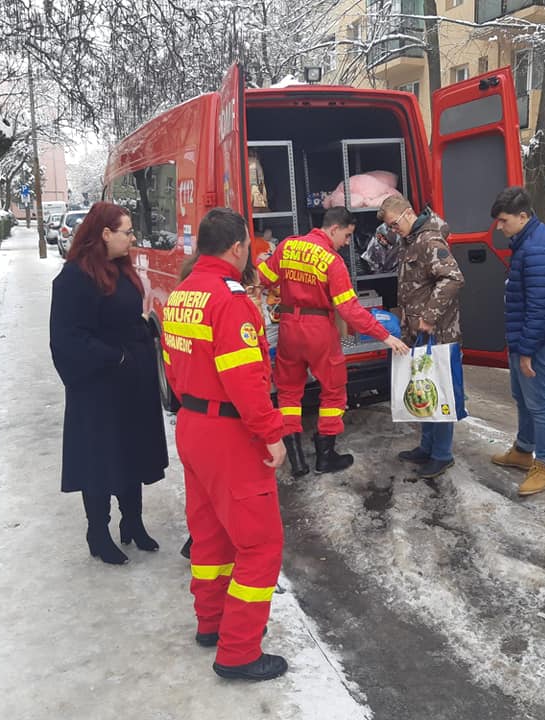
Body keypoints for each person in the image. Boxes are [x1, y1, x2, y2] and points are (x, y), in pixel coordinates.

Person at [162, 208, 288, 682]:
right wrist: (271, 433)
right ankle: (238, 652)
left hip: (193, 426)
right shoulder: (230, 299)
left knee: (210, 535)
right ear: (238, 248)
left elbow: (173, 370)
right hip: (229, 433)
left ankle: (210, 624)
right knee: (260, 545)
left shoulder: (183, 293)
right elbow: (245, 380)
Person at [49, 201, 168, 566]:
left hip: (132, 381)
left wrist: (145, 327)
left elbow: (125, 315)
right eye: (127, 232)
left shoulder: (121, 269)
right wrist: (112, 356)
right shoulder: (74, 278)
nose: (133, 238)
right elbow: (67, 338)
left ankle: (132, 522)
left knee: (132, 451)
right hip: (98, 386)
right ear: (104, 234)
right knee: (101, 460)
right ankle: (97, 532)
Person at [257, 207, 409, 477]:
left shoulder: (288, 246)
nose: (347, 242)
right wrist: (385, 336)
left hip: (290, 327)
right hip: (318, 330)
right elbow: (349, 310)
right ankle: (325, 455)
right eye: (348, 236)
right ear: (334, 228)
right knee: (334, 391)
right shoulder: (332, 261)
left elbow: (264, 278)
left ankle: (296, 459)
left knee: (289, 392)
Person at [488, 187, 545, 496]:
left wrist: (526, 351)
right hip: (530, 332)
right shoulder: (527, 239)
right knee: (522, 395)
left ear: (523, 216)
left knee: (538, 402)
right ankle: (524, 451)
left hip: (541, 336)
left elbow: (539, 306)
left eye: (503, 221)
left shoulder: (536, 248)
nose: (499, 227)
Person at [378, 196, 465, 479]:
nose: (393, 230)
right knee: (423, 389)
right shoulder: (410, 241)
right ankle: (427, 447)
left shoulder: (429, 241)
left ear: (406, 214)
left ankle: (442, 454)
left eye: (394, 223)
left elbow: (453, 278)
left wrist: (429, 316)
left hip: (439, 334)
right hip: (419, 334)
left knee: (440, 394)